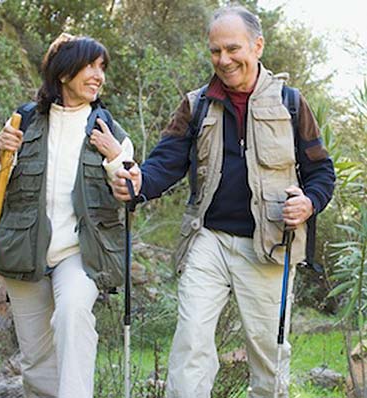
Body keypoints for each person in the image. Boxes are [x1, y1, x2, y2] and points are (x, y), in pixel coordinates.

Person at [112, 6, 335, 398]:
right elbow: (166, 163)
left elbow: (321, 172)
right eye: (215, 51)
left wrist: (310, 202)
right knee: (191, 342)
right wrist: (139, 182)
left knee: (269, 355)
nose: (224, 60)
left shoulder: (292, 103)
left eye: (233, 49)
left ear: (258, 45)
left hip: (268, 246)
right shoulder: (197, 103)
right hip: (208, 239)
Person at [0, 33, 133, 398]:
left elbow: (130, 190)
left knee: (73, 314)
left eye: (102, 68)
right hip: (24, 249)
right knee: (36, 360)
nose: (99, 76)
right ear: (63, 74)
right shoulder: (25, 121)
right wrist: (3, 153)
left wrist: (113, 157)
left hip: (81, 253)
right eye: (90, 66)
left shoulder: (108, 130)